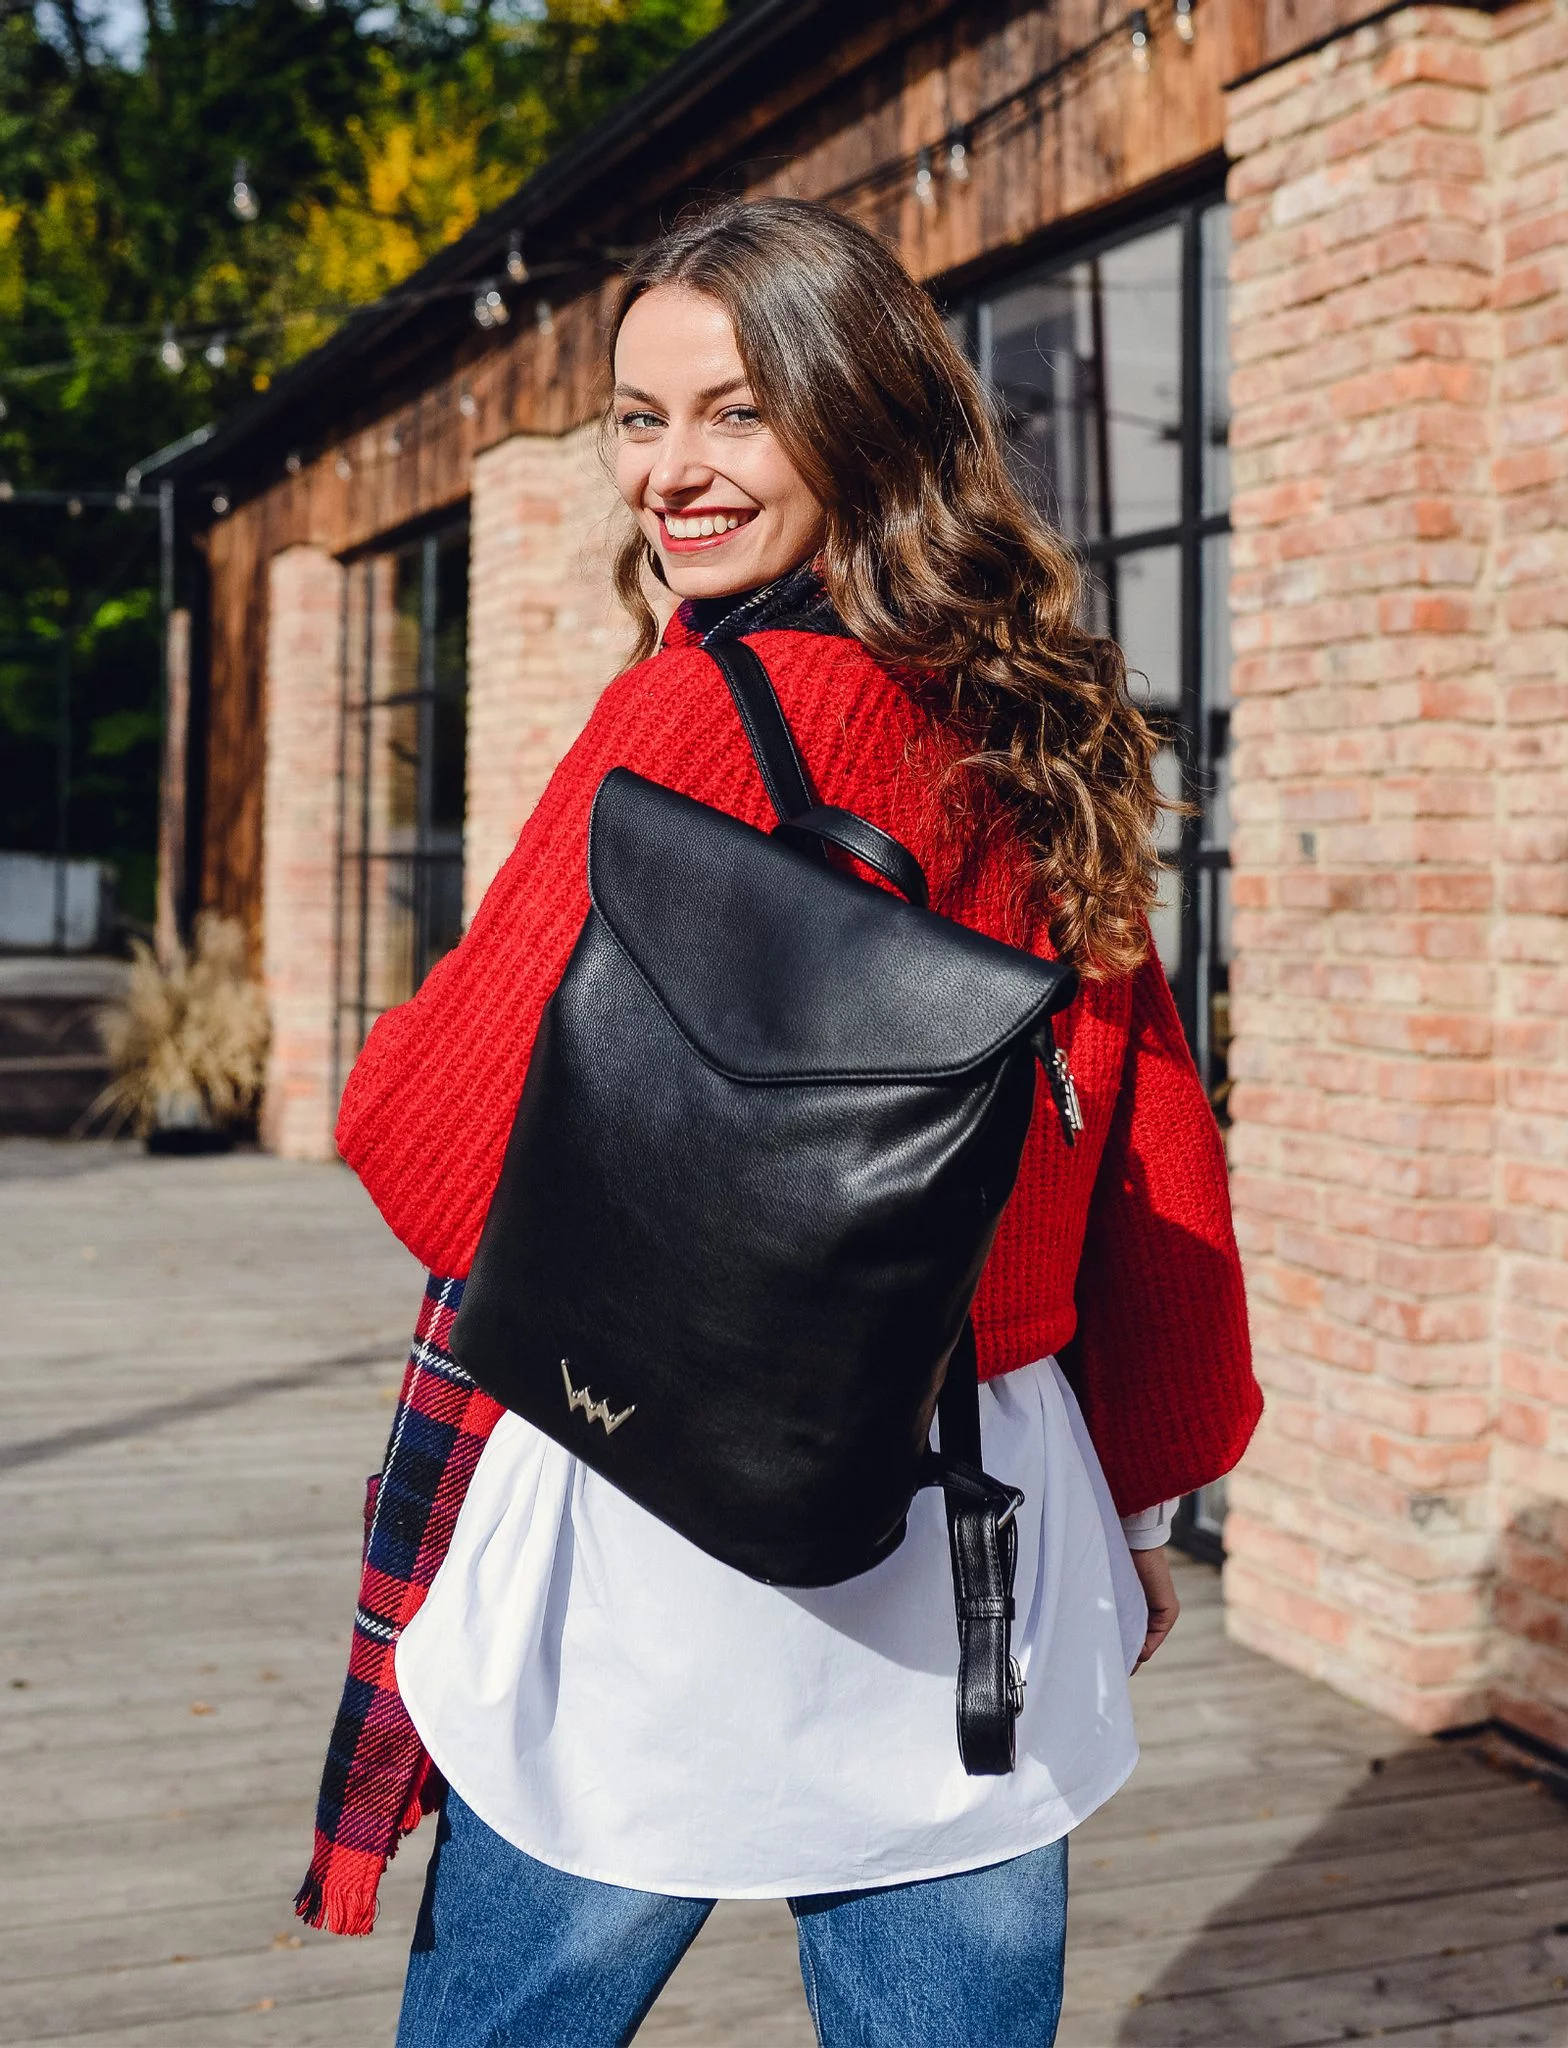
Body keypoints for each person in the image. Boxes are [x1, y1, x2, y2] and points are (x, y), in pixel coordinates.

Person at [297, 197, 1261, 2047]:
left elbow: (427, 1141)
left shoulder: (695, 717)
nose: (672, 471)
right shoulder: (1037, 718)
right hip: (988, 1523)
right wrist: (1142, 1496)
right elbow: (1148, 1147)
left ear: (857, 418)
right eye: (640, 418)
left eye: (736, 413)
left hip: (668, 1487)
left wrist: (430, 1031)